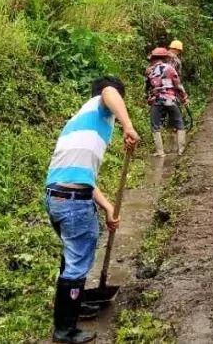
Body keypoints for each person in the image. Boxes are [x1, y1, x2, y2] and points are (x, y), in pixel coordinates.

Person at [44, 76, 139, 343]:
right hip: (72, 201)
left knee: (72, 256)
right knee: (76, 263)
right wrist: (128, 126)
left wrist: (108, 207)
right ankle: (65, 330)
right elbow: (109, 91)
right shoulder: (101, 103)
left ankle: (77, 305)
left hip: (58, 196)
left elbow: (83, 178)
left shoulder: (78, 123)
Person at [145, 47, 189, 157]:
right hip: (170, 99)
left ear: (153, 58)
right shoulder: (170, 68)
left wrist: (148, 98)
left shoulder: (149, 71)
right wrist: (184, 98)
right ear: (164, 58)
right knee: (179, 123)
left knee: (155, 126)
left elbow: (146, 88)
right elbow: (178, 85)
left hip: (157, 100)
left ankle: (160, 152)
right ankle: (181, 150)